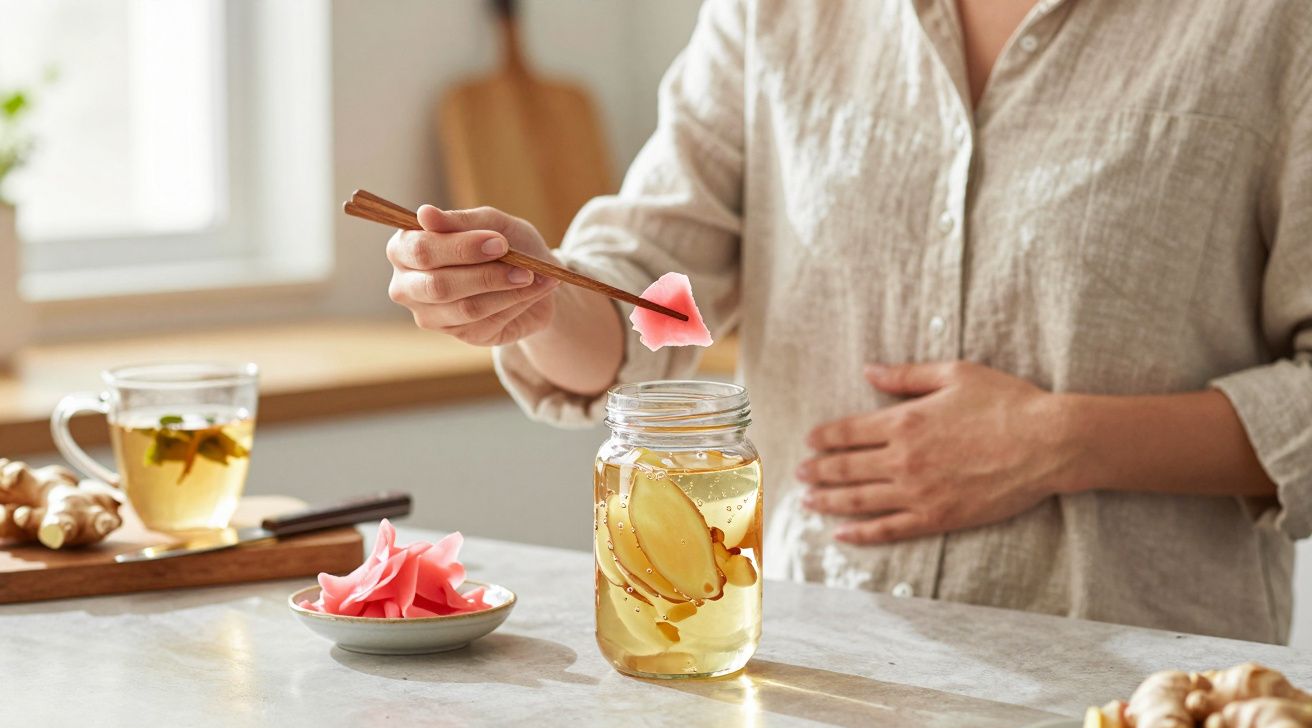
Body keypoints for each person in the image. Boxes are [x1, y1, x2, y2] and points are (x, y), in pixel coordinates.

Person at [384, 0, 1311, 644]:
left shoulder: (1277, 25)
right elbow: (642, 305)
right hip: (821, 663)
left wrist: (1062, 441)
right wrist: (531, 295)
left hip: (1147, 680)